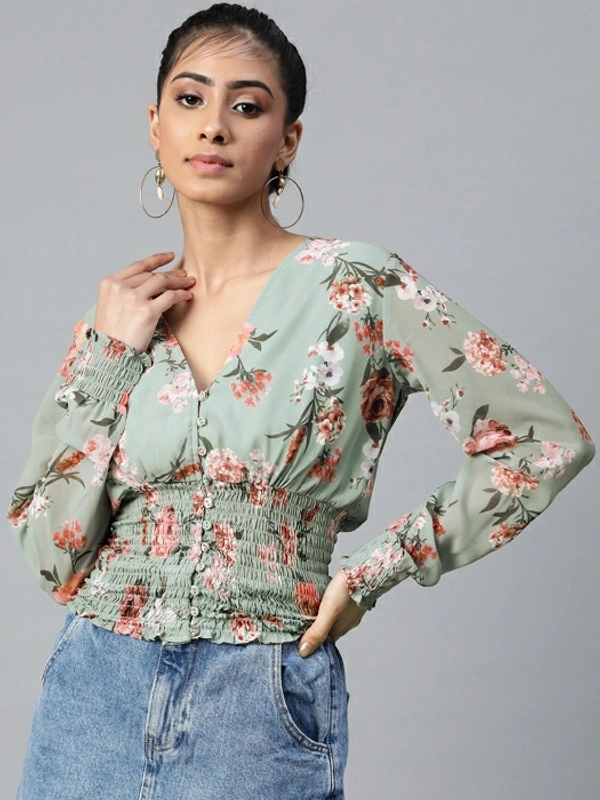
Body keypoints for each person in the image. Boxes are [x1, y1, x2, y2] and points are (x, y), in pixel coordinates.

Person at [6, 4, 595, 799]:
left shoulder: (357, 286)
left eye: (247, 106)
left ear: (287, 141)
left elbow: (544, 439)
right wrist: (109, 357)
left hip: (256, 701)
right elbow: (52, 554)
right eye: (190, 99)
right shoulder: (120, 315)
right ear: (155, 126)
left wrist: (379, 570)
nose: (213, 125)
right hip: (91, 694)